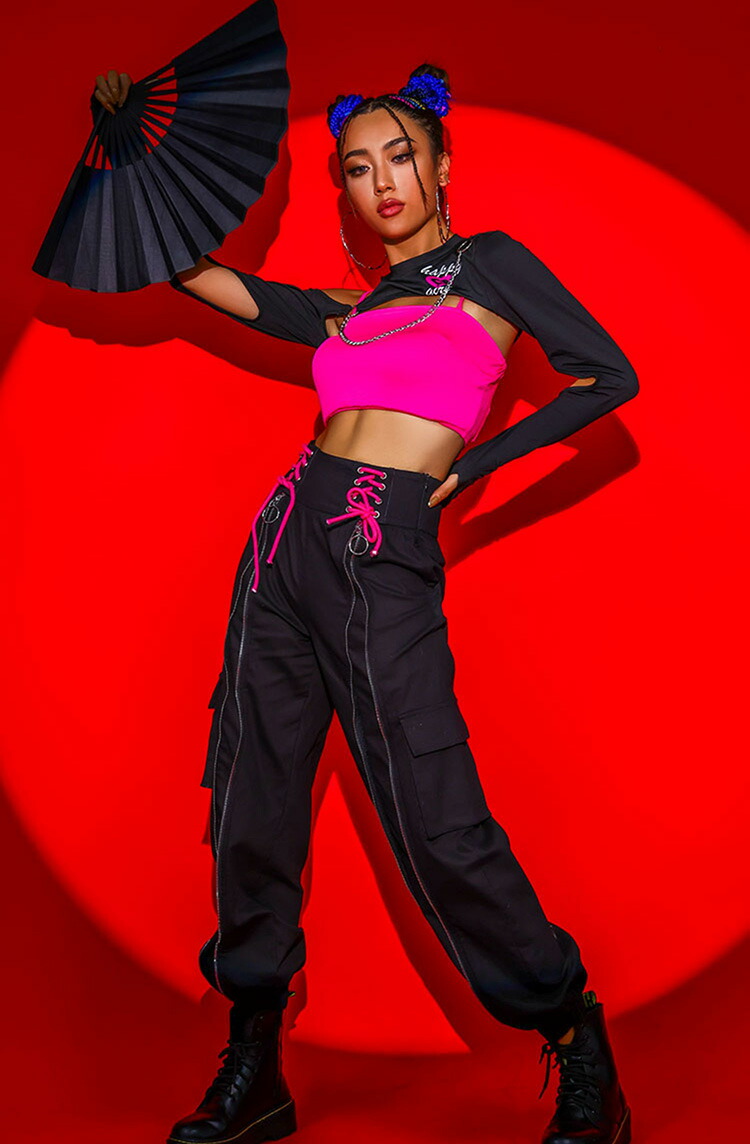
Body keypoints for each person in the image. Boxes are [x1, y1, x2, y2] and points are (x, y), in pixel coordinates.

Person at [94, 61, 637, 1144]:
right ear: (343, 190)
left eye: (400, 157)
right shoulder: (351, 308)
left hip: (383, 545)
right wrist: (133, 159)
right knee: (253, 804)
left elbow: (606, 375)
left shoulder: (492, 266)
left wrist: (474, 468)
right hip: (285, 542)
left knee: (433, 811)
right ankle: (258, 1062)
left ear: (441, 166)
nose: (382, 181)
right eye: (357, 167)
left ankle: (573, 1032)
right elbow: (201, 278)